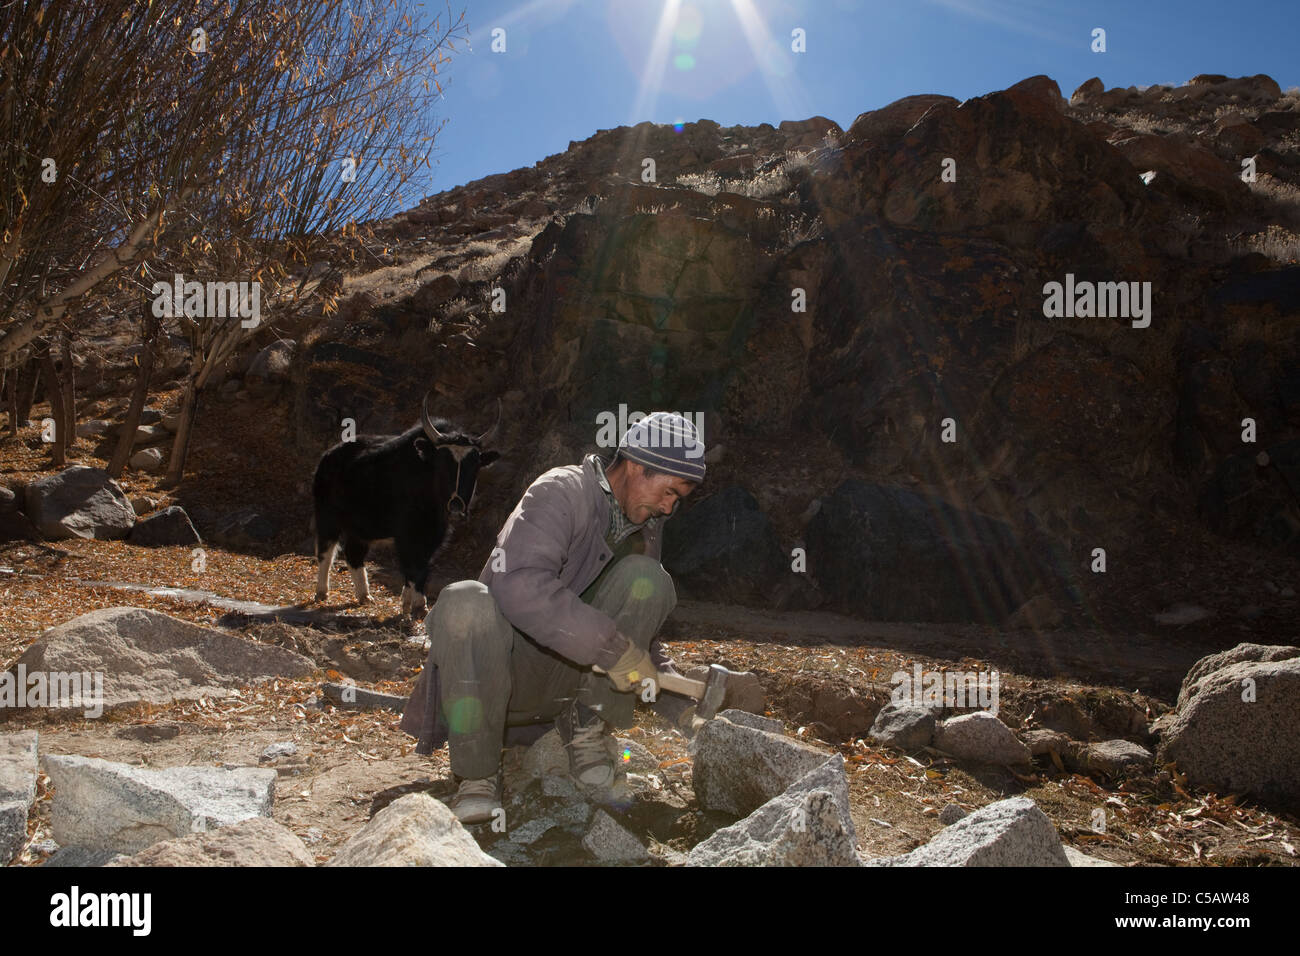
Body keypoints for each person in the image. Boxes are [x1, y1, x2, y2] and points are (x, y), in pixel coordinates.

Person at [399, 411, 706, 823]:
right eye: (668, 491)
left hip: (560, 693)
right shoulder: (561, 492)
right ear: (635, 465)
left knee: (648, 578)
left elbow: (636, 637)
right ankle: (478, 778)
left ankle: (587, 735)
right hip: (496, 679)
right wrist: (614, 651)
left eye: (678, 500)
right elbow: (521, 584)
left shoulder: (644, 529)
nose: (669, 507)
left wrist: (681, 700)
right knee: (463, 602)